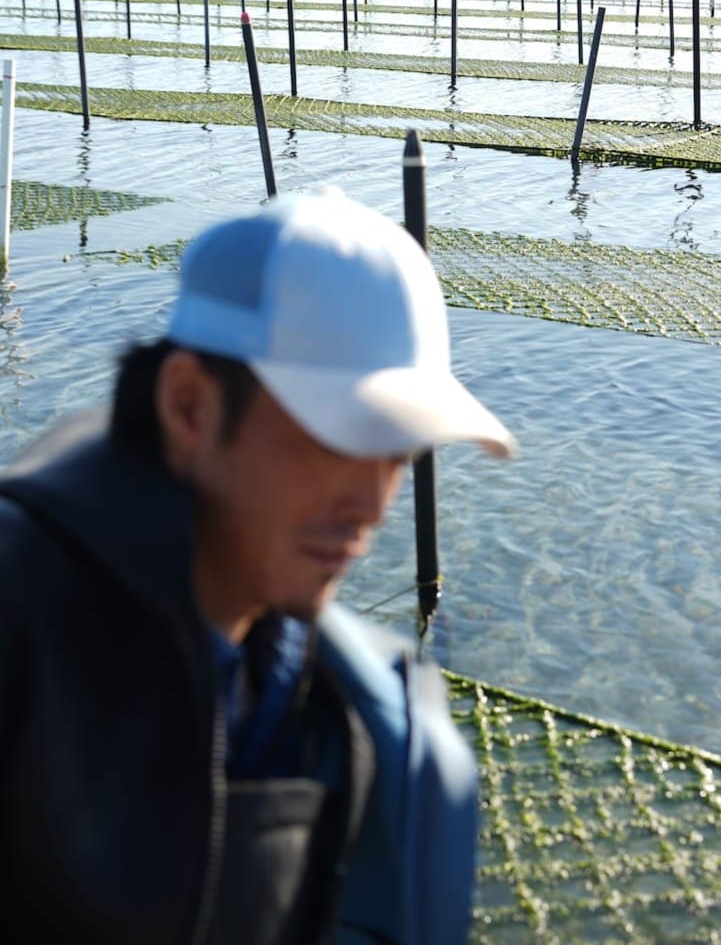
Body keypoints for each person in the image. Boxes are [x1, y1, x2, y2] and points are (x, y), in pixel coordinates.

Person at [0, 187, 515, 944]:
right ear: (189, 407)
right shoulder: (19, 629)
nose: (372, 504)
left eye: (398, 451)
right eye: (338, 438)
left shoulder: (345, 700)